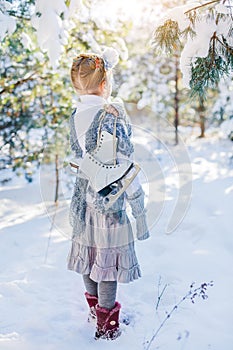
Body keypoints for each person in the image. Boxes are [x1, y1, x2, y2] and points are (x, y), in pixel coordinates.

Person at [67, 48, 149, 341]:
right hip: (109, 203)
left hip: (83, 201)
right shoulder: (110, 115)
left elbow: (81, 156)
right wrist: (139, 206)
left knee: (89, 257)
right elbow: (124, 164)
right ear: (104, 84)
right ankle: (107, 325)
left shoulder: (74, 114)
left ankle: (94, 310)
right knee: (107, 266)